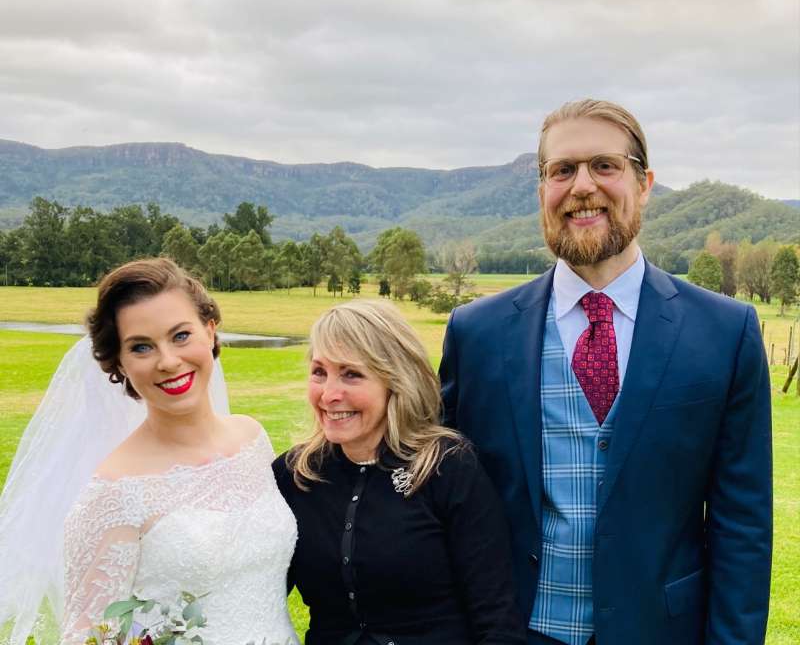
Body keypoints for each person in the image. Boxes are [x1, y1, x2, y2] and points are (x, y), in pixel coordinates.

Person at [439, 99, 772, 645]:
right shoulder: (477, 333)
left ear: (644, 184)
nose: (582, 186)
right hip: (513, 631)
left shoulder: (725, 331)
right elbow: (445, 501)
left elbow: (743, 525)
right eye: (562, 170)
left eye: (605, 166)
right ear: (542, 191)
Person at [0, 258, 299, 645]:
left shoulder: (252, 439)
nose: (168, 361)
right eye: (141, 347)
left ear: (210, 331)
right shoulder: (112, 493)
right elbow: (88, 637)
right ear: (119, 364)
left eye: (180, 335)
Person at [273, 299, 527, 645]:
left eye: (352, 374)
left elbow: (496, 620)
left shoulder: (448, 469)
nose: (330, 394)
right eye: (319, 372)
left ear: (395, 381)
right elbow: (254, 591)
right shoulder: (295, 476)